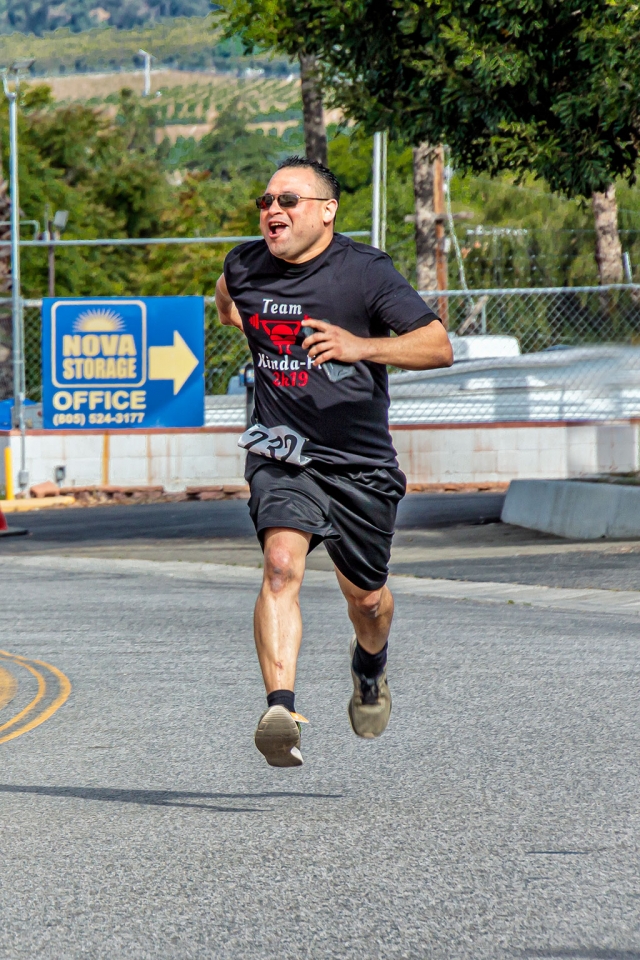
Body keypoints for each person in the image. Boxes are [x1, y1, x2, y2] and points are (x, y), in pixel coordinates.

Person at [215, 155, 453, 767]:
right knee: (279, 564)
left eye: (289, 201)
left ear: (327, 211)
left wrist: (359, 346)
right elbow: (229, 302)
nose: (273, 210)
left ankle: (368, 667)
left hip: (360, 462)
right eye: (266, 200)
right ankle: (280, 708)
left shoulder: (365, 273)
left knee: (367, 600)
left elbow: (437, 345)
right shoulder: (242, 265)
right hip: (281, 450)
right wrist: (253, 329)